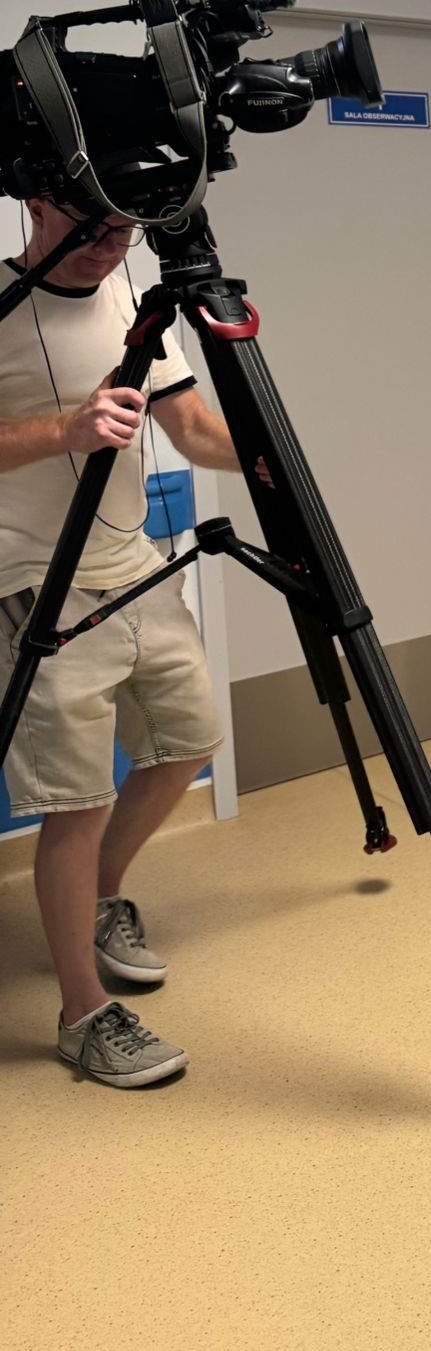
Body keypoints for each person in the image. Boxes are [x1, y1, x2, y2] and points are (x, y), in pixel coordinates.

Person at [1, 195, 250, 1087]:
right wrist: (63, 431)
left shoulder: (130, 296)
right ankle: (82, 1014)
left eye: (123, 231)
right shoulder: (1, 306)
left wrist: (272, 454)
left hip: (134, 566)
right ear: (36, 205)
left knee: (188, 740)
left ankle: (102, 897)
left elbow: (191, 427)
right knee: (76, 802)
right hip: (38, 582)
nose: (108, 247)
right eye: (88, 228)